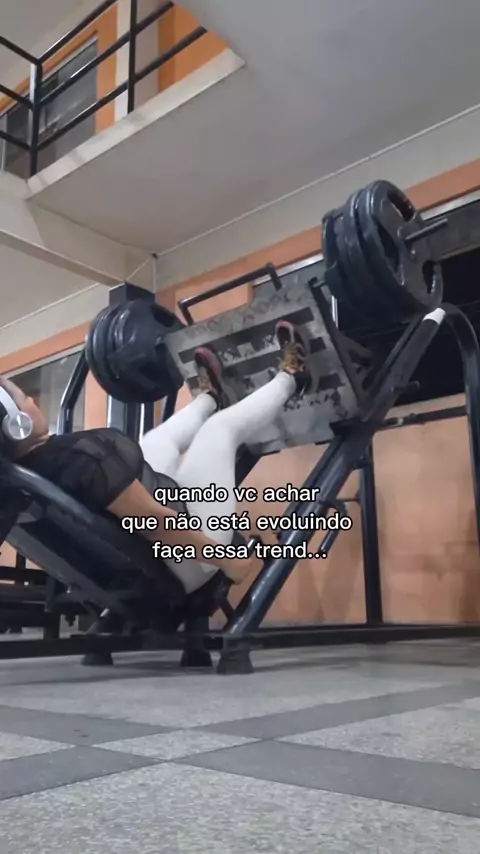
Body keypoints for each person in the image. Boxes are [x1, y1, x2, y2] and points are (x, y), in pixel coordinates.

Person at [1, 321, 310, 594]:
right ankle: (293, 378)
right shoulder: (76, 461)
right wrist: (228, 561)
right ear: (17, 425)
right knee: (219, 430)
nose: (32, 402)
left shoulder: (21, 475)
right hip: (189, 559)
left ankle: (210, 399)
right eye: (26, 401)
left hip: (152, 559)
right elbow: (154, 522)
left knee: (156, 442)